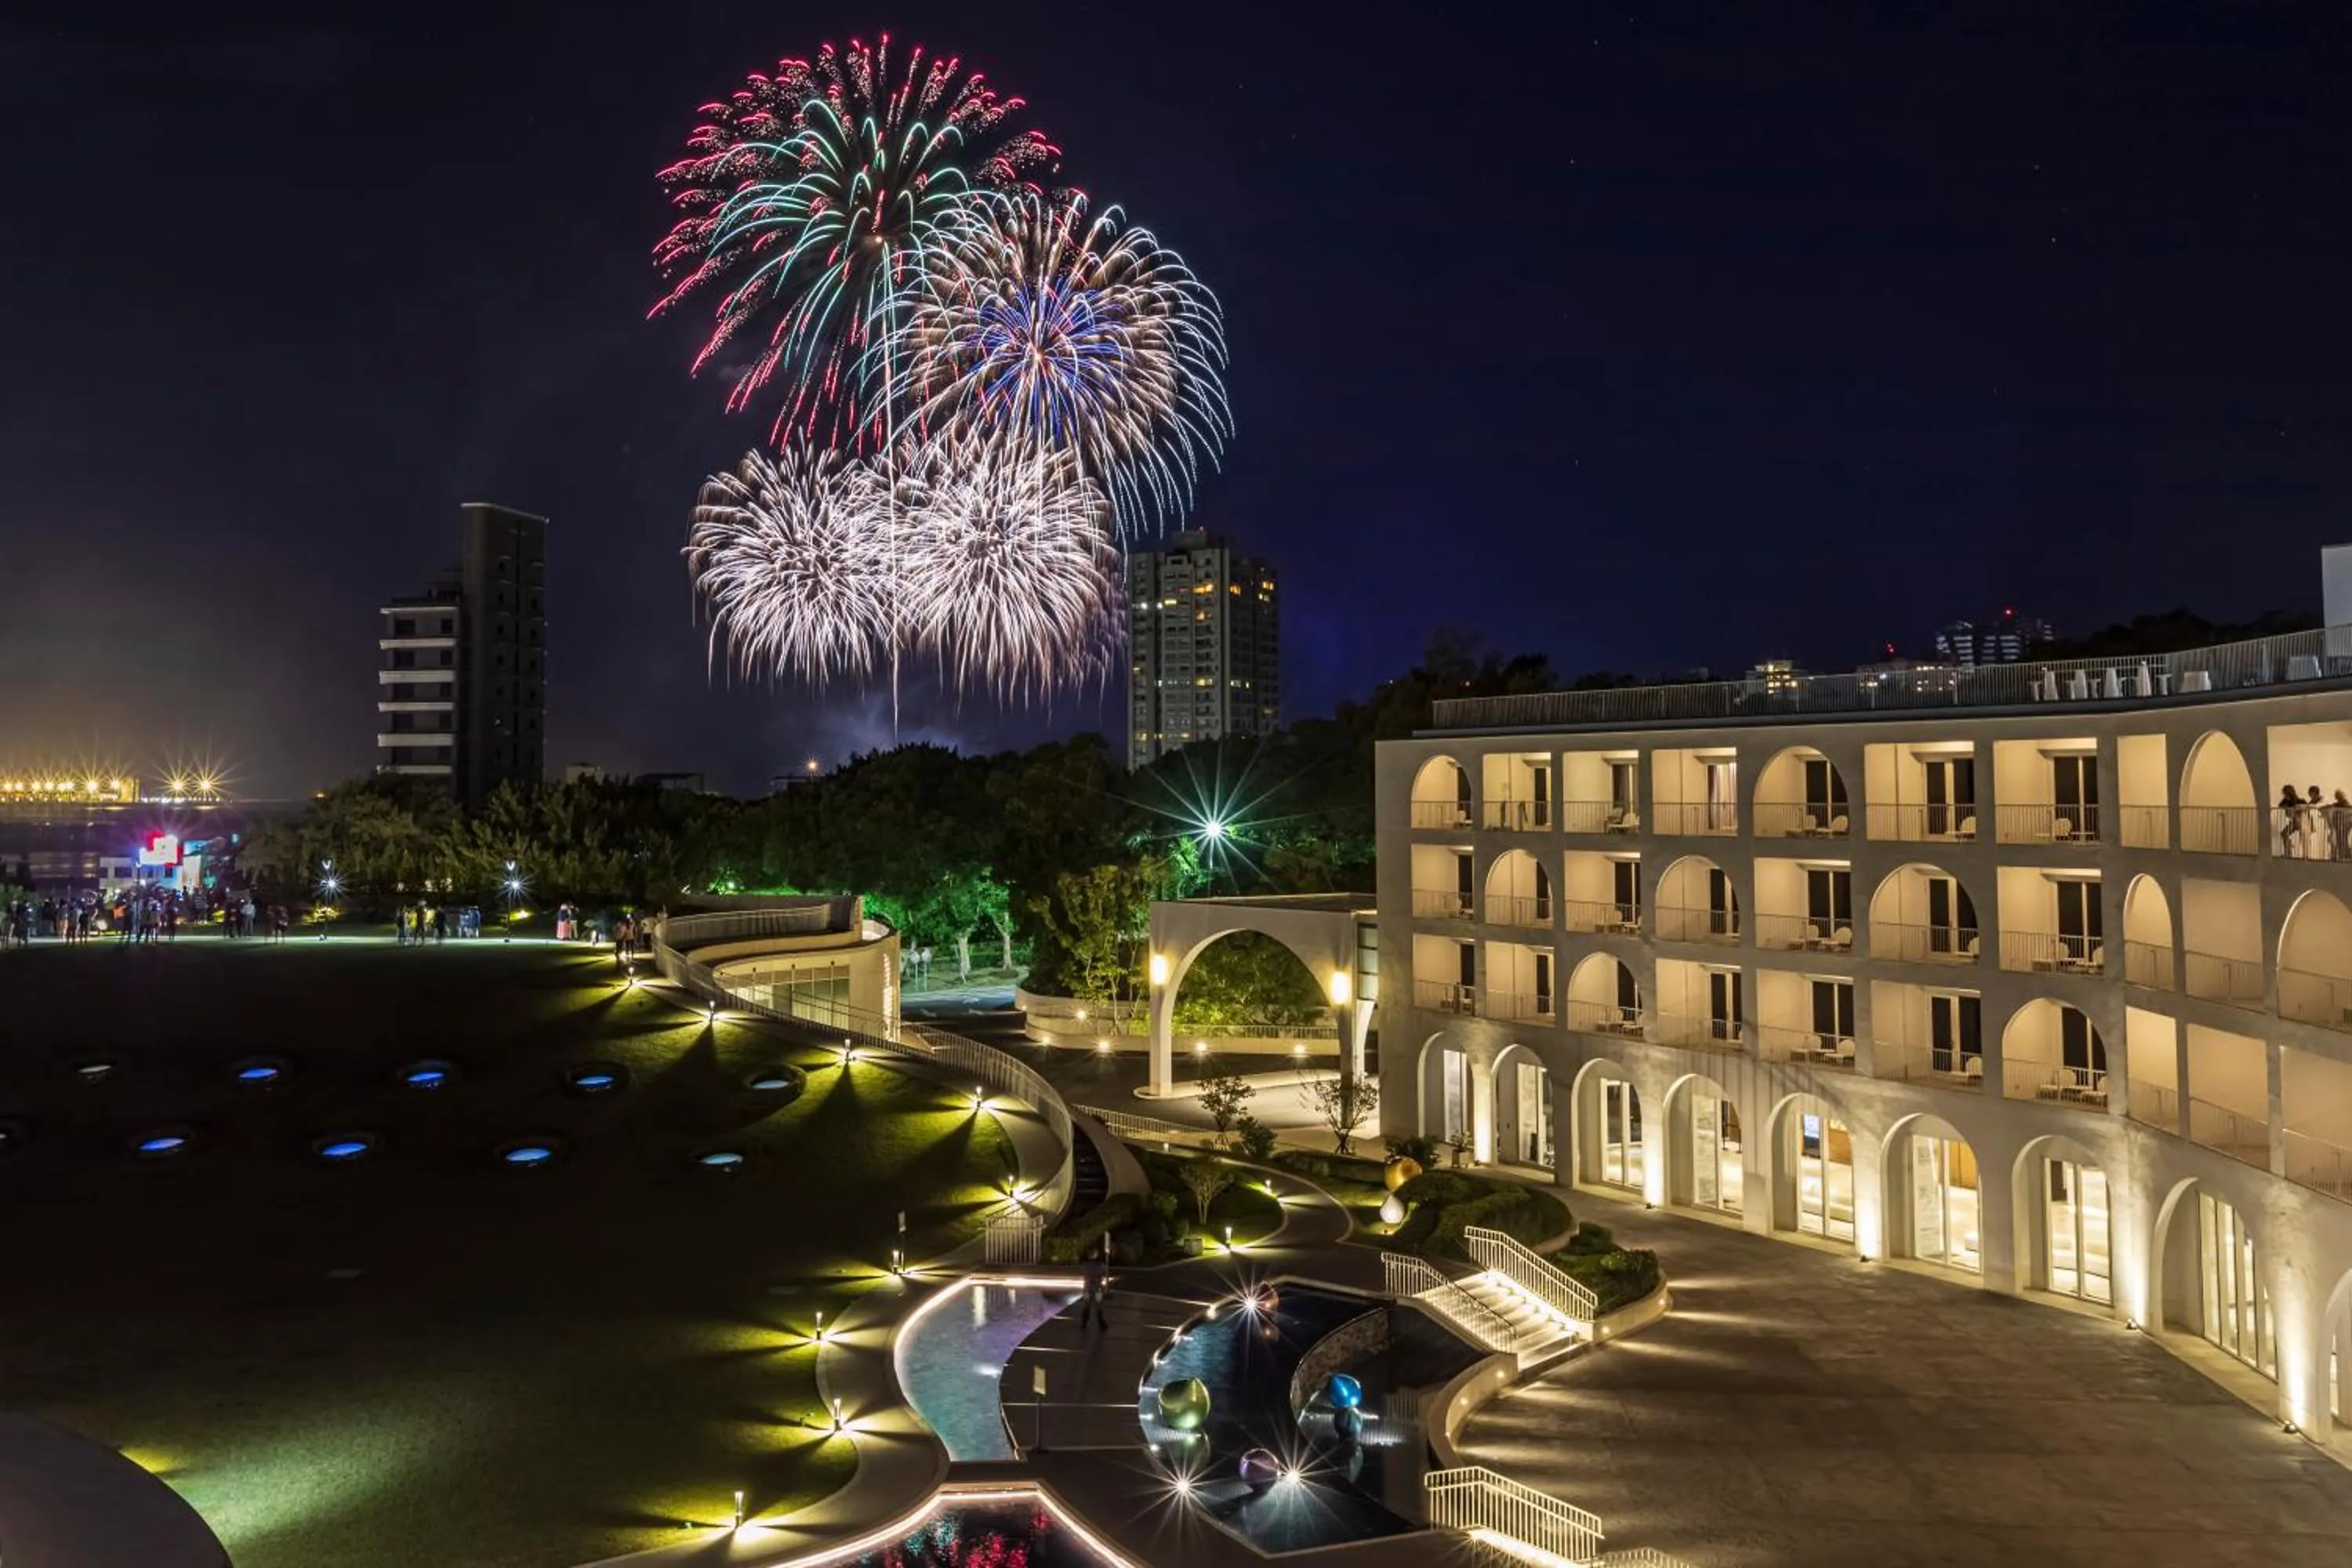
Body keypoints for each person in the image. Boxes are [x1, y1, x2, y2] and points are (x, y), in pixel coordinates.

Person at [1079, 1243, 1110, 1330]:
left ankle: (1086, 1322)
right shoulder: (1099, 1265)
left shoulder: (1085, 1265)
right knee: (1096, 1304)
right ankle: (1099, 1322)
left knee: (1088, 1304)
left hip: (1090, 1286)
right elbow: (1104, 1273)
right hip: (1095, 1286)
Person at [2280, 784, 2307, 858]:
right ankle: (2288, 851)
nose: (2284, 795)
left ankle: (2306, 855)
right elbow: (2281, 805)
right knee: (2284, 833)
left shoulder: (2299, 801)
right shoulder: (2286, 801)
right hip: (2294, 821)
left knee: (2303, 837)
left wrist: (2294, 810)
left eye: (2284, 793)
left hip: (2301, 821)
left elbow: (2304, 809)